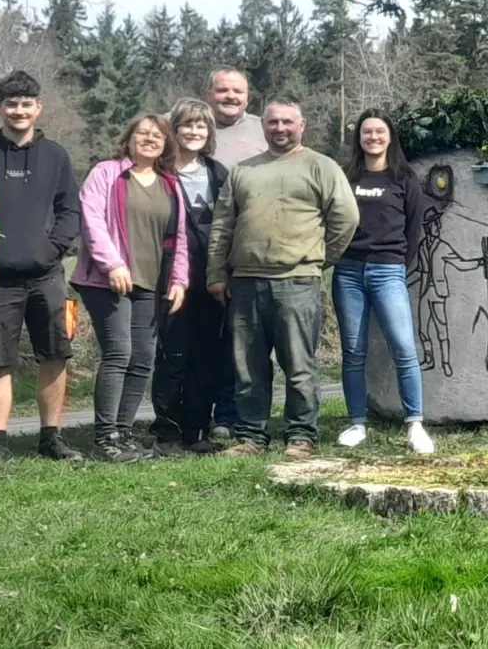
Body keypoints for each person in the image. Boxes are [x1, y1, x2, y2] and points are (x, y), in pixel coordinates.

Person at [208, 99, 360, 457]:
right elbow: (222, 225)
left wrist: (319, 258)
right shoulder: (243, 170)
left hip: (298, 282)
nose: (280, 128)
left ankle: (301, 434)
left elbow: (346, 218)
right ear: (263, 126)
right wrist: (216, 272)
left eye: (287, 122)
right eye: (273, 122)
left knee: (299, 365)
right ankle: (251, 437)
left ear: (301, 125)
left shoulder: (321, 166)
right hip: (244, 281)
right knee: (248, 368)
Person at [71, 114, 191, 462]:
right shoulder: (106, 173)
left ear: (166, 144)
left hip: (151, 282)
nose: (150, 139)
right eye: (143, 133)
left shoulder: (170, 183)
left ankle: (123, 435)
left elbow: (179, 238)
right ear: (129, 137)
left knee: (143, 359)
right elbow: (91, 219)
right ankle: (104, 438)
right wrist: (113, 264)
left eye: (158, 135)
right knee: (118, 353)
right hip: (108, 280)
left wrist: (179, 280)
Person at [0, 71, 83, 461]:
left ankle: (51, 437)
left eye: (26, 104)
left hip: (47, 277)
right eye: (10, 103)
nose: (18, 111)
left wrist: (52, 249)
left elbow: (69, 209)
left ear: (38, 107)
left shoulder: (55, 155)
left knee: (55, 355)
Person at [332, 109, 435, 455]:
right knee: (353, 352)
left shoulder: (404, 178)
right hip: (347, 271)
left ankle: (415, 424)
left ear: (390, 137)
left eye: (379, 132)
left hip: (388, 271)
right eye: (366, 132)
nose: (373, 137)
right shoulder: (346, 176)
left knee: (404, 348)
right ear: (358, 138)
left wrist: (396, 264)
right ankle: (357, 423)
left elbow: (414, 228)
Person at [148, 98, 232, 455]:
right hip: (169, 279)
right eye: (187, 125)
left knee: (207, 355)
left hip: (211, 279)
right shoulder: (159, 173)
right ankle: (167, 431)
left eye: (201, 126)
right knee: (172, 355)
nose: (194, 132)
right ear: (174, 130)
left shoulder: (218, 173)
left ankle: (197, 429)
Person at [204, 67, 268, 441]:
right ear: (208, 92)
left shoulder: (265, 129)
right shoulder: (185, 124)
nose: (230, 96)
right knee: (194, 339)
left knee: (237, 342)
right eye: (222, 90)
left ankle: (228, 416)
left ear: (249, 95)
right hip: (188, 245)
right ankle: (187, 415)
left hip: (241, 250)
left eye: (238, 91)